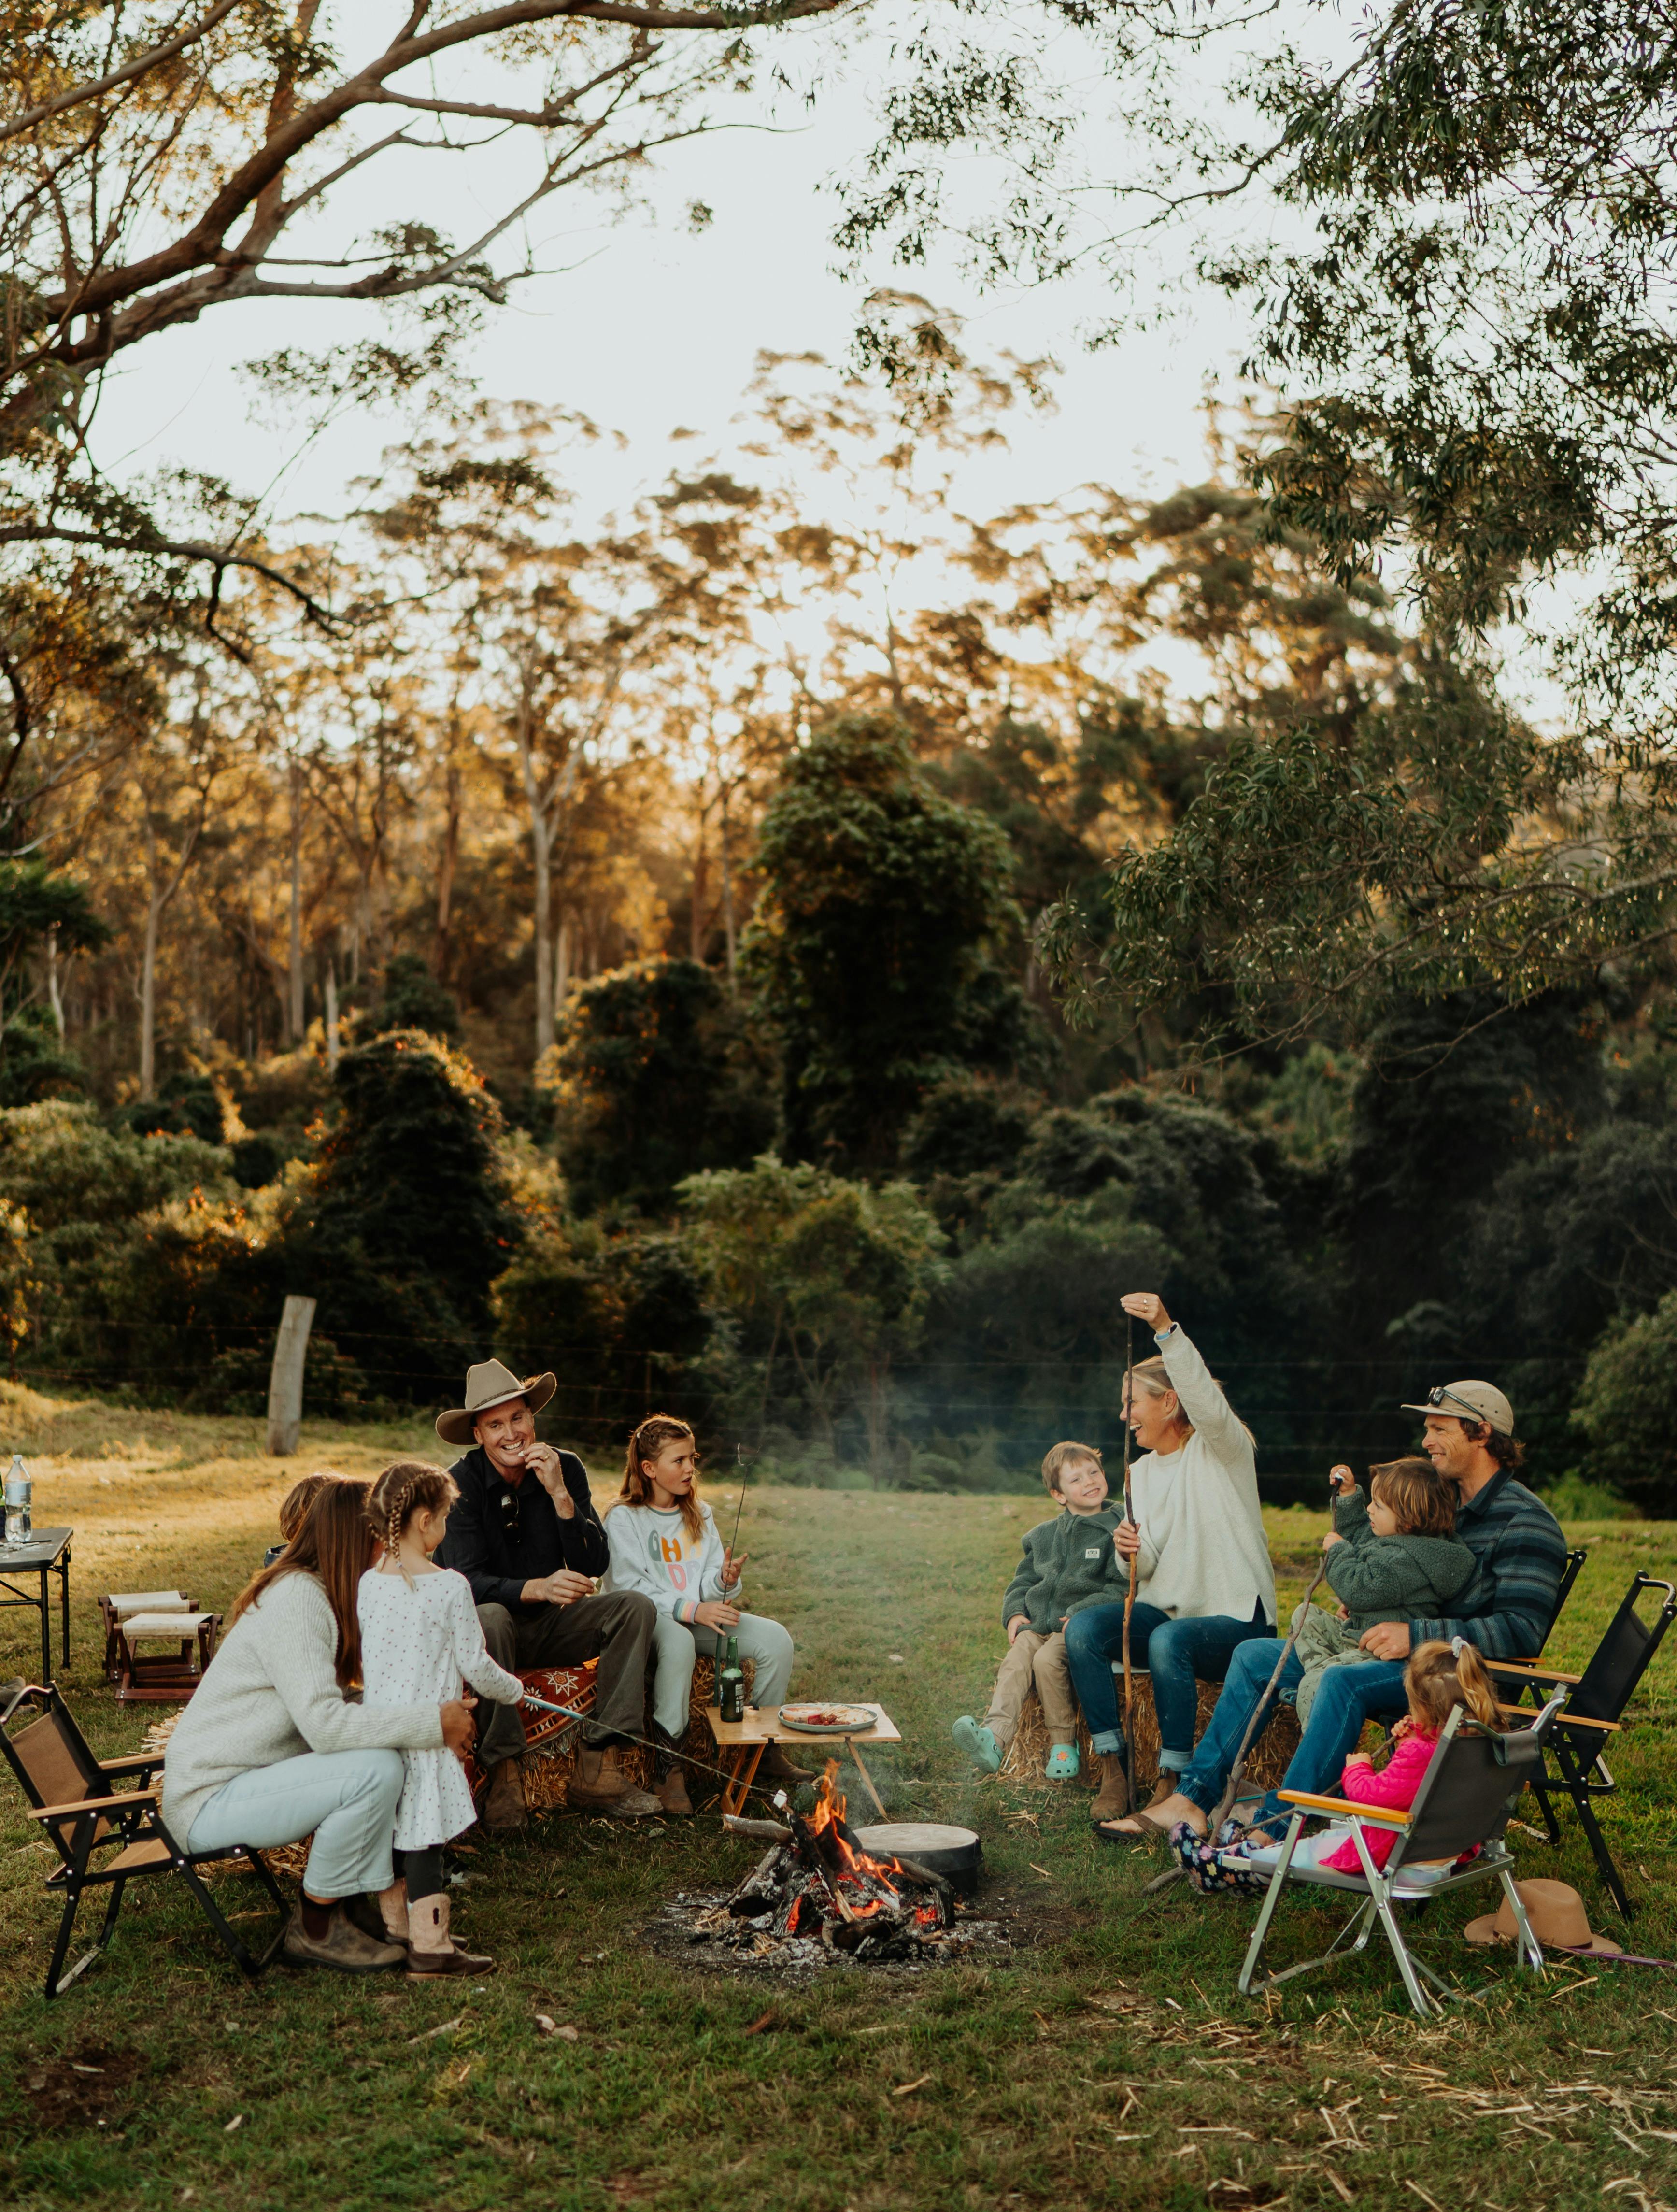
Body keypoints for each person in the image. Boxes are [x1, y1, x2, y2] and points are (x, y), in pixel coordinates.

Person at [1107, 1377, 1567, 1844]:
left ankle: (1278, 1823)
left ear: (1482, 1433)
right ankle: (1192, 1797)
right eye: (1427, 1428)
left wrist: (1415, 1632)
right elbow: (1404, 1568)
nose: (1426, 1441)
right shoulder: (1444, 1502)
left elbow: (1521, 1632)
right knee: (1254, 1656)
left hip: (1456, 1676)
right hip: (1389, 1655)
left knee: (1340, 1680)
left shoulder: (1525, 1522)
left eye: (1439, 1429)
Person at [160, 1477, 475, 1975]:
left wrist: (420, 1716)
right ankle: (317, 1926)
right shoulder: (298, 1599)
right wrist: (430, 1723)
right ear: (355, 1538)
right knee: (375, 1769)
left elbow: (337, 1701)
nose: (389, 1546)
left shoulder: (315, 1591)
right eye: (379, 1534)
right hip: (209, 1799)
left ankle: (352, 1907)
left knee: (383, 1758)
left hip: (246, 1779)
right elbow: (326, 1727)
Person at [1066, 1293, 1276, 1827]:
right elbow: (1148, 1565)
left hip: (1235, 1618)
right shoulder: (1140, 1472)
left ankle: (1173, 1779)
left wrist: (1164, 1328)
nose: (1122, 1416)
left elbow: (1205, 1399)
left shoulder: (1224, 1449)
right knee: (1084, 1630)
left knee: (1168, 1640)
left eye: (1131, 1403)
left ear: (1169, 1402)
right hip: (1168, 1614)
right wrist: (1126, 1551)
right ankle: (1115, 1767)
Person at [435, 1359, 659, 1828]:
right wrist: (535, 1587)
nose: (510, 1433)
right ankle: (506, 1772)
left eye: (518, 1418)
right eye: (495, 1424)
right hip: (490, 1632)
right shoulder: (459, 1485)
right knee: (492, 1614)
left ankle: (600, 1763)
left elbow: (594, 1564)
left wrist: (560, 1496)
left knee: (633, 1608)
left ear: (532, 1418)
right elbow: (462, 1581)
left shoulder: (565, 1466)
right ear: (478, 1434)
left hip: (553, 1624)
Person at [359, 1460, 527, 1976]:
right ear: (425, 1519)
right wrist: (516, 1690)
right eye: (447, 1517)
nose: (447, 1528)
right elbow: (475, 1664)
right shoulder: (450, 1586)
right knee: (424, 1840)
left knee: (393, 1832)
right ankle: (431, 1946)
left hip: (382, 1732)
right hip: (428, 1732)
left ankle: (397, 1929)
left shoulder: (368, 1582)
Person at [1172, 1636, 1503, 1893]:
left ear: (1427, 1709)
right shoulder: (1474, 1743)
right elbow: (1416, 1779)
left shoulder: (1419, 1754)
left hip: (1394, 1855)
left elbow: (1369, 1796)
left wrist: (1357, 1769)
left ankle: (1223, 1867)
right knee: (1328, 1838)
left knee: (1313, 1847)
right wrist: (1413, 1738)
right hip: (1446, 1850)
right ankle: (1243, 1854)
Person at [603, 1414, 809, 1815]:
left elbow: (710, 1589)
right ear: (649, 1469)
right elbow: (629, 1588)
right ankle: (669, 1769)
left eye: (692, 1457)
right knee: (679, 1640)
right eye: (678, 1460)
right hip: (647, 1624)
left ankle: (761, 1753)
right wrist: (693, 1608)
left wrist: (725, 1580)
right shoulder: (623, 1517)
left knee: (776, 1640)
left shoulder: (701, 1513)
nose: (690, 1468)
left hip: (696, 1617)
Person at [950, 1441, 1124, 1782]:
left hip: (1076, 1627)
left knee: (1046, 1661)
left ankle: (1063, 1744)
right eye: (1076, 1479)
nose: (1090, 1481)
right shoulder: (1044, 1535)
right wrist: (1015, 1613)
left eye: (1094, 1472)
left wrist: (1083, 1611)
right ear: (1059, 1495)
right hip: (1038, 1623)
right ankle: (994, 1738)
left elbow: (1120, 1586)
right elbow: (1023, 1579)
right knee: (1017, 1658)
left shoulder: (1116, 1528)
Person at [1290, 1456, 1476, 1724]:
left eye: (1378, 1505)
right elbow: (1359, 1534)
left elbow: (1358, 1590)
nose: (1369, 1509)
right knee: (1304, 1616)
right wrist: (1349, 1494)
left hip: (1380, 1652)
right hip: (1358, 1634)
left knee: (1314, 1684)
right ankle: (1324, 1671)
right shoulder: (1396, 1538)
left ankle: (1318, 1700)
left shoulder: (1406, 1561)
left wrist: (1339, 1552)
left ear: (1408, 1520)